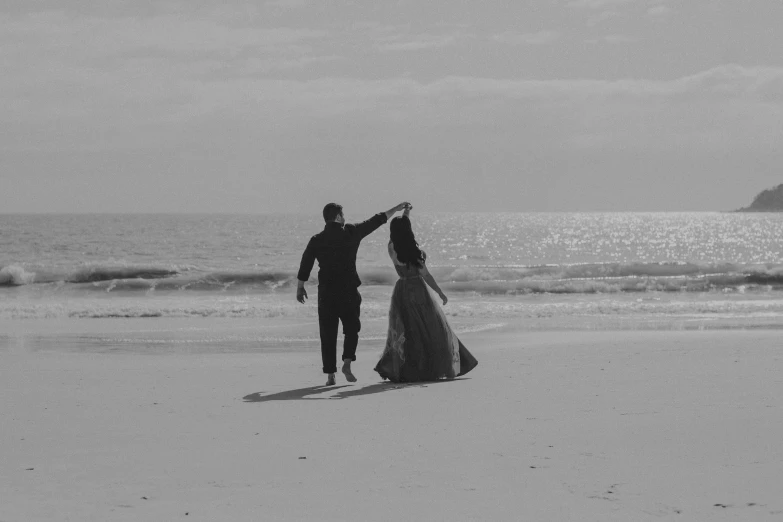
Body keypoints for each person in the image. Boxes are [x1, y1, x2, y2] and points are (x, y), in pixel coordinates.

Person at [297, 202, 411, 386]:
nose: (345, 216)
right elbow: (375, 221)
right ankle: (347, 363)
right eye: (343, 214)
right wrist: (396, 209)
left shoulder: (317, 239)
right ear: (338, 217)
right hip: (348, 291)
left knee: (327, 334)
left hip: (326, 293)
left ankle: (330, 375)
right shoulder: (351, 232)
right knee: (352, 329)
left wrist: (300, 286)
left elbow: (306, 262)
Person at [374, 205, 478, 382]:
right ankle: (433, 365)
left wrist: (405, 213)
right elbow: (426, 276)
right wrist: (439, 292)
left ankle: (408, 368)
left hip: (402, 291)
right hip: (419, 290)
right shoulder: (416, 253)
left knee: (405, 331)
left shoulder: (392, 248)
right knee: (431, 329)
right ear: (409, 231)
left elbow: (401, 229)